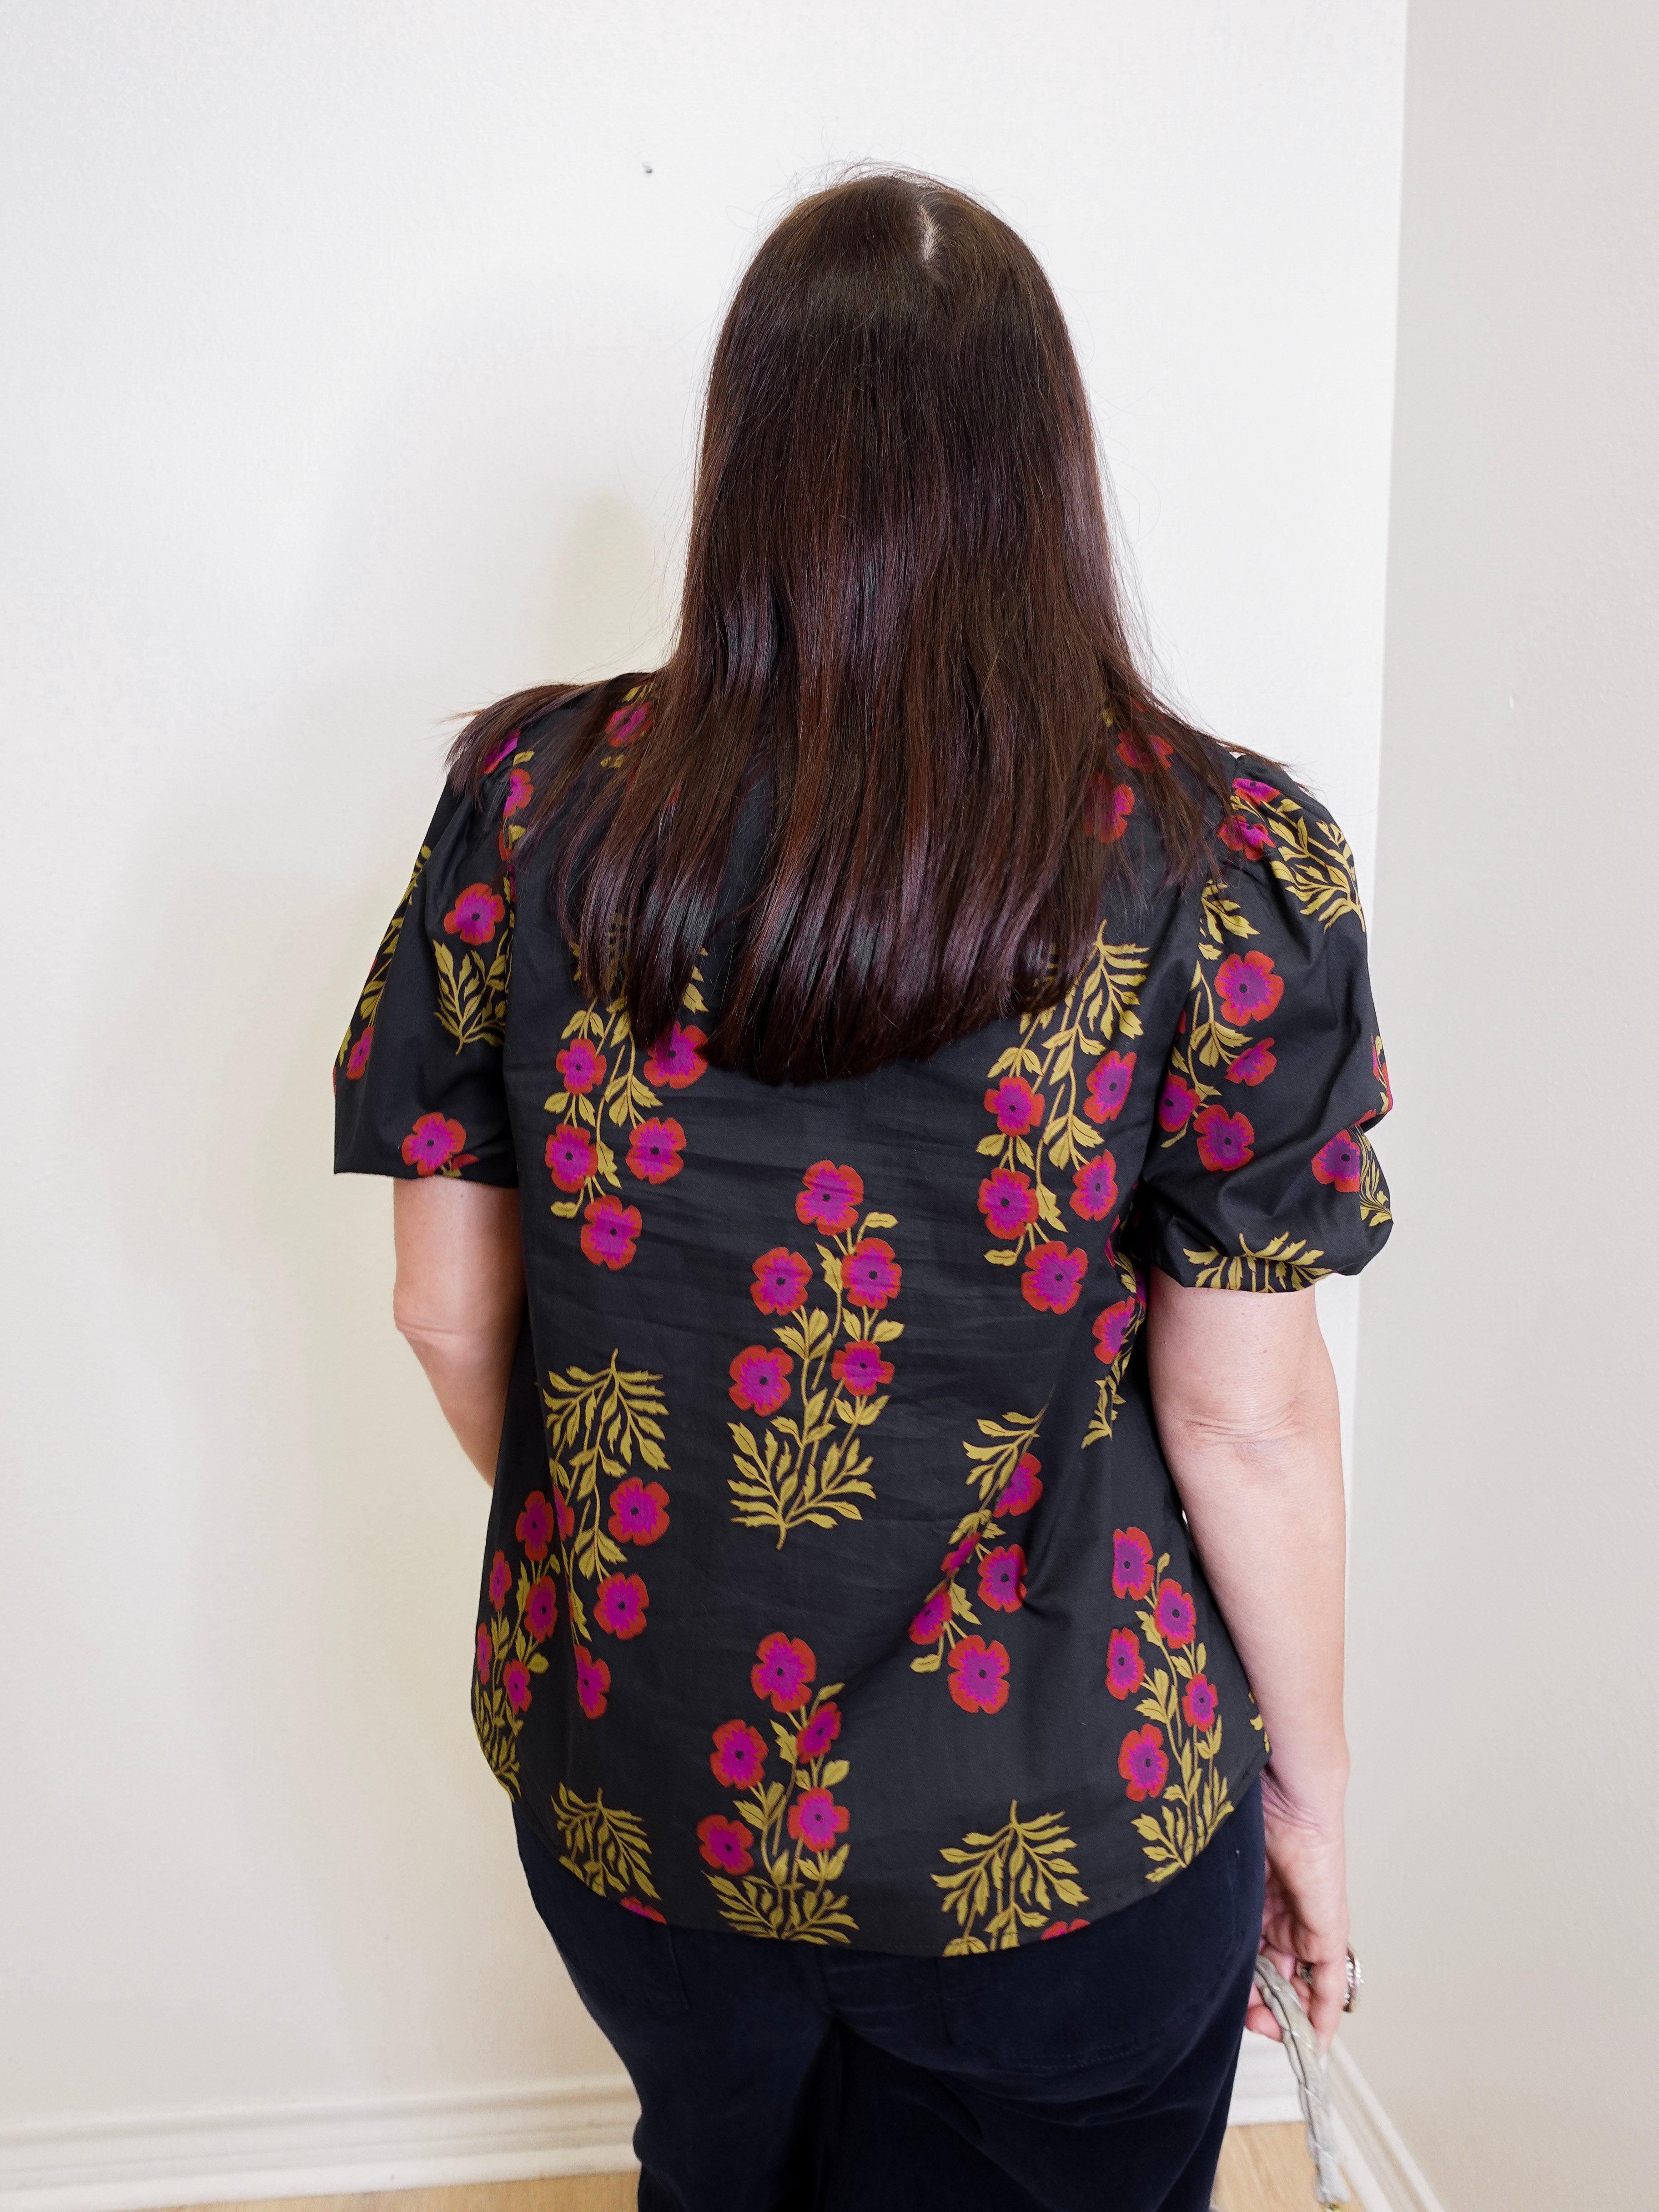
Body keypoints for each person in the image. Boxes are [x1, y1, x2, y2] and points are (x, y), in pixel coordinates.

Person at [334, 170, 1389, 2212]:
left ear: (751, 459)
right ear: (1042, 474)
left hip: (648, 1797)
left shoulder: (531, 802)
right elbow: (1245, 1413)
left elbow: (446, 1309)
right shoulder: (1222, 855)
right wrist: (1313, 1799)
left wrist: (648, 1551)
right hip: (1068, 1826)